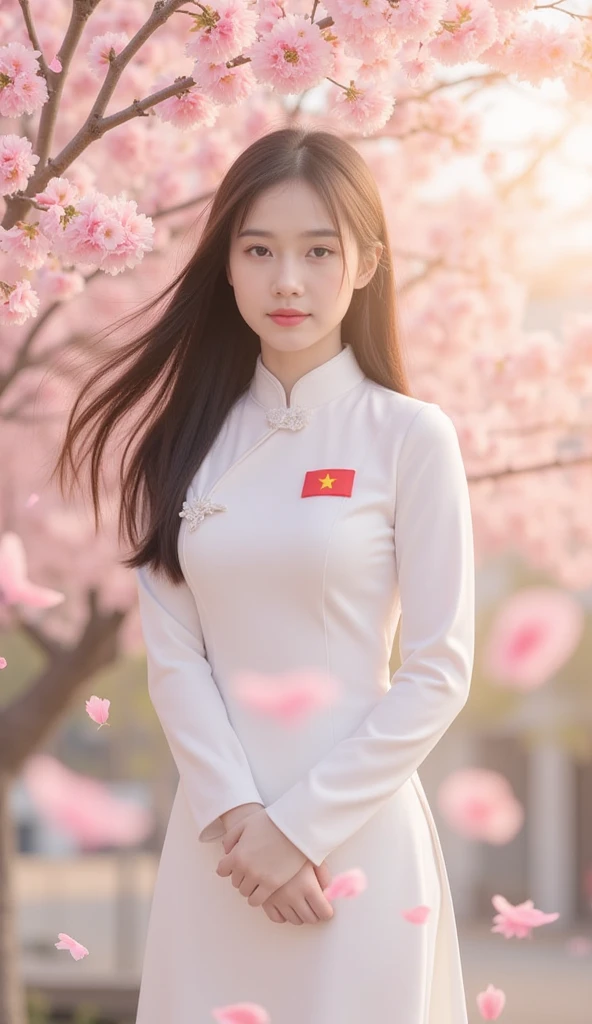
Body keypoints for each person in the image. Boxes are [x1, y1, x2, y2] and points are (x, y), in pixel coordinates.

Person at [52, 126, 475, 1023]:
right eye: (259, 250)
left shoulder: (409, 437)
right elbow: (175, 660)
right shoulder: (178, 446)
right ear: (228, 265)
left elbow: (440, 668)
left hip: (355, 842)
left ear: (366, 264)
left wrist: (298, 828)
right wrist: (243, 823)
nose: (288, 280)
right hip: (222, 850)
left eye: (319, 250)